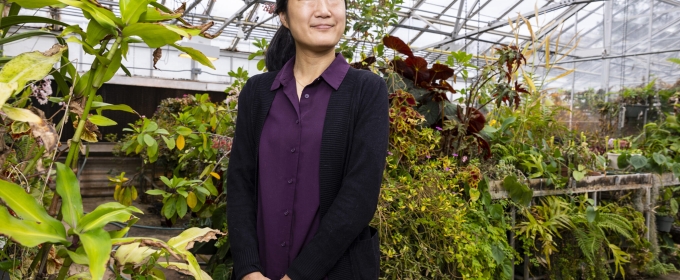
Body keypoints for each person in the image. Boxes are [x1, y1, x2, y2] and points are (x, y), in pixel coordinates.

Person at [225, 0, 389, 279]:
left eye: (334, 1)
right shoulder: (258, 92)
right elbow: (240, 183)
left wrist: (299, 275)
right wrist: (248, 268)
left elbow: (359, 196)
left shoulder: (367, 90)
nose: (324, 10)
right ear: (284, 17)